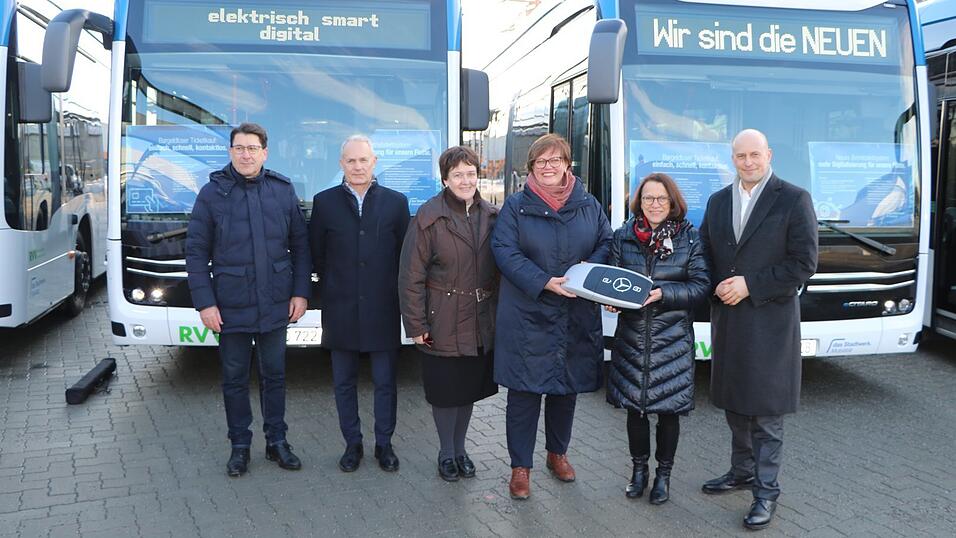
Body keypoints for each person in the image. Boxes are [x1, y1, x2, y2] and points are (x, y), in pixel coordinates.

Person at [698, 129, 818, 530]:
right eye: (740, 156)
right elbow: (705, 253)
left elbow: (804, 263)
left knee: (766, 413)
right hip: (730, 320)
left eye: (755, 155)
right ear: (732, 159)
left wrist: (750, 284)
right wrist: (713, 284)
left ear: (769, 155)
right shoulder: (718, 201)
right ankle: (741, 471)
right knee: (735, 404)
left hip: (770, 323)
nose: (748, 162)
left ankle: (766, 493)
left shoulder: (794, 199)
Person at [185, 122, 311, 477]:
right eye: (239, 148)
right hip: (230, 307)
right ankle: (239, 446)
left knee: (275, 376)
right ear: (230, 152)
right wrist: (205, 303)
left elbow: (301, 246)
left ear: (264, 153)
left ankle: (277, 442)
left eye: (252, 148)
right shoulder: (211, 194)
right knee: (235, 379)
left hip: (275, 303)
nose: (245, 154)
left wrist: (301, 292)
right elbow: (195, 253)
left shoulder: (282, 190)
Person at [492, 133, 612, 500]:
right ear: (531, 167)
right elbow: (504, 251)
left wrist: (585, 273)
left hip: (574, 311)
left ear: (567, 164)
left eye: (555, 160)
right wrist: (544, 281)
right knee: (524, 394)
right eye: (541, 161)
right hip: (528, 314)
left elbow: (606, 242)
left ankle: (557, 453)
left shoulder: (589, 204)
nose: (548, 166)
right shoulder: (515, 207)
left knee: (565, 389)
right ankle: (520, 467)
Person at [605, 173, 710, 505]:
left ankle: (663, 476)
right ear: (639, 202)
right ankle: (639, 472)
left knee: (669, 412)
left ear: (672, 202)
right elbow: (613, 280)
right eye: (648, 198)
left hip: (672, 340)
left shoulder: (689, 238)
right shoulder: (623, 236)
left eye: (661, 198)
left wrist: (664, 293)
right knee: (635, 411)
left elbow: (701, 287)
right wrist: (610, 300)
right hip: (632, 339)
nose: (654, 204)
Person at [309, 135, 410, 473]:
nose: (357, 166)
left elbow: (404, 257)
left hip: (383, 309)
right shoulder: (324, 203)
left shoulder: (396, 203)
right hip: (340, 309)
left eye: (363, 160)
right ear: (341, 164)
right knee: (343, 383)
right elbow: (318, 255)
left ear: (374, 162)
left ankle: (384, 444)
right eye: (350, 161)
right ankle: (352, 444)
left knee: (385, 382)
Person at [398, 146, 499, 482]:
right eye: (458, 175)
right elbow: (410, 276)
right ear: (445, 179)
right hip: (440, 318)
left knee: (466, 390)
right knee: (445, 392)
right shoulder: (429, 217)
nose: (465, 180)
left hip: (479, 320)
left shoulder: (492, 215)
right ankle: (446, 452)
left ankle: (460, 450)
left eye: (471, 173)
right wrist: (416, 324)